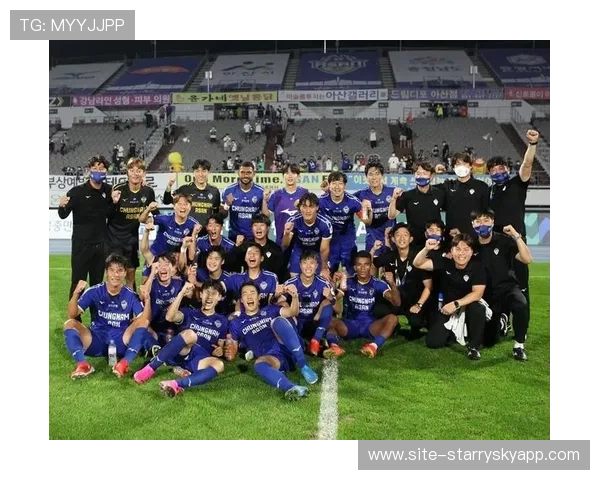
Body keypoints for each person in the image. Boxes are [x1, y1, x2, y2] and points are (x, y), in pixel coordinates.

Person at [133, 280, 229, 396]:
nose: (209, 296)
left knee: (220, 365)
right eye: (206, 292)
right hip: (183, 350)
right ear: (200, 294)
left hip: (199, 357)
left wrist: (219, 350)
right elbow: (169, 317)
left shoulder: (222, 321)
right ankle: (149, 369)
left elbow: (220, 347)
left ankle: (176, 384)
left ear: (219, 297)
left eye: (213, 293)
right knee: (191, 335)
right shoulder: (190, 312)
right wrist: (181, 293)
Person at [225, 281, 318, 401]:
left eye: (252, 293)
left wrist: (295, 297)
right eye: (245, 294)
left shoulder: (270, 310)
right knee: (259, 364)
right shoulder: (236, 323)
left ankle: (303, 365)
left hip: (288, 346)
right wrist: (228, 350)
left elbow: (292, 312)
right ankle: (292, 388)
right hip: (275, 358)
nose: (249, 296)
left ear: (259, 297)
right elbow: (232, 349)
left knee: (278, 321)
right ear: (242, 300)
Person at [63, 254, 149, 379]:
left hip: (121, 341)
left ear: (125, 273)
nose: (115, 274)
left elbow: (145, 319)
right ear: (106, 272)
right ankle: (83, 364)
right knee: (69, 323)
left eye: (120, 270)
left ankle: (124, 363)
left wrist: (147, 299)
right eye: (112, 270)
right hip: (97, 340)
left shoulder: (131, 295)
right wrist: (76, 293)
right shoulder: (94, 291)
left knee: (143, 322)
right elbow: (72, 315)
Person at [413, 233, 490, 360]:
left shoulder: (478, 267)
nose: (461, 253)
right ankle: (456, 333)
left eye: (466, 249)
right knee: (433, 342)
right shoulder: (445, 262)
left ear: (472, 252)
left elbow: (477, 293)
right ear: (451, 251)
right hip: (448, 308)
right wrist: (426, 249)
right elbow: (418, 263)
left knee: (477, 309)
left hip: (467, 305)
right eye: (457, 249)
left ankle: (474, 347)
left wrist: (456, 304)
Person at [471, 210, 533, 360]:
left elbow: (527, 259)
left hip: (507, 288)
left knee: (521, 303)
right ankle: (501, 321)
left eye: (486, 220)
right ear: (472, 224)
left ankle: (519, 346)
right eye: (478, 221)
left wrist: (516, 236)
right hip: (485, 294)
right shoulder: (470, 245)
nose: (482, 224)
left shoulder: (504, 241)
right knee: (489, 341)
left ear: (493, 222)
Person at [487, 129, 539, 309]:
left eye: (501, 168)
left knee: (521, 286)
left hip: (516, 242)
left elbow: (527, 164)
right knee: (498, 285)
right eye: (493, 170)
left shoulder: (517, 184)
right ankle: (501, 318)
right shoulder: (490, 191)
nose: (497, 172)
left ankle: (521, 322)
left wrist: (532, 144)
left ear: (508, 169)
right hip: (496, 245)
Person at [58, 156, 116, 301]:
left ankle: (97, 314)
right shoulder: (77, 192)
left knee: (97, 284)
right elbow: (62, 215)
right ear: (89, 170)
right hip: (81, 246)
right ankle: (73, 314)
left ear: (106, 171)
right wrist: (61, 205)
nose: (98, 171)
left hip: (100, 246)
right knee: (78, 282)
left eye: (101, 168)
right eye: (95, 168)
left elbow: (111, 215)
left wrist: (115, 203)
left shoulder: (109, 190)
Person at [323, 251, 401, 358]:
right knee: (328, 318)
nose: (363, 268)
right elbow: (334, 301)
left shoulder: (378, 284)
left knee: (393, 318)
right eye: (359, 265)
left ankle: (373, 347)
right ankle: (334, 346)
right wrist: (333, 284)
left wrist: (392, 284)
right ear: (355, 267)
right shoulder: (348, 282)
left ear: (370, 266)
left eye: (366, 264)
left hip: (370, 325)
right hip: (349, 325)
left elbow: (396, 302)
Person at [373, 223, 433, 338]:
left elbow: (428, 287)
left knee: (416, 322)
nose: (401, 238)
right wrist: (373, 250)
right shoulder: (389, 256)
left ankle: (416, 325)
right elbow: (372, 264)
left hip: (413, 300)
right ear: (393, 239)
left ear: (411, 239)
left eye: (405, 235)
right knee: (377, 310)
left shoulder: (418, 258)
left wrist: (419, 305)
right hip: (395, 298)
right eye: (398, 235)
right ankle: (394, 326)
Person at [106, 158, 156, 290]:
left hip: (132, 240)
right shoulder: (118, 189)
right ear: (127, 172)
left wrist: (150, 221)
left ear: (143, 173)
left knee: (130, 273)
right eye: (132, 170)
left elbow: (152, 213)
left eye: (139, 171)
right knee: (114, 274)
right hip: (114, 239)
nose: (135, 173)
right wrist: (114, 202)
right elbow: (107, 213)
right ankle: (110, 300)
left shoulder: (148, 192)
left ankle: (129, 302)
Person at [282, 250, 335, 356]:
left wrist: (330, 297)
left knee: (328, 304)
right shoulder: (290, 283)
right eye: (305, 263)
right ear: (300, 265)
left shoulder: (323, 283)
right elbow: (279, 302)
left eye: (312, 263)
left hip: (314, 321)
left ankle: (316, 340)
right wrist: (281, 298)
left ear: (317, 266)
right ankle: (310, 345)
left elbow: (337, 307)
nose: (308, 266)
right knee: (283, 307)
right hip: (297, 322)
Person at [319, 171, 370, 275]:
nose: (337, 187)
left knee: (350, 273)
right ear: (329, 185)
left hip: (348, 241)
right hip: (329, 241)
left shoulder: (353, 201)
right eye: (334, 183)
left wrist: (366, 209)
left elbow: (366, 221)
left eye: (340, 183)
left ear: (345, 185)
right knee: (328, 273)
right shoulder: (320, 201)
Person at [387, 161, 445, 248]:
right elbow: (392, 216)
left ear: (431, 176)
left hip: (434, 241)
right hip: (414, 243)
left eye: (424, 173)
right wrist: (394, 199)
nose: (421, 176)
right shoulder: (407, 195)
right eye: (418, 173)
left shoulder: (439, 193)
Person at [435, 153, 489, 237]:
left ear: (470, 166)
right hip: (452, 236)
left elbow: (486, 213)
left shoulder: (482, 187)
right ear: (453, 168)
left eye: (464, 164)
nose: (461, 167)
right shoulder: (447, 186)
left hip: (474, 237)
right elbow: (426, 189)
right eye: (458, 164)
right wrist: (433, 173)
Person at [141, 254, 185, 354]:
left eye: (167, 264)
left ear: (173, 268)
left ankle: (157, 347)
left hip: (172, 327)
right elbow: (143, 296)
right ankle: (154, 346)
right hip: (153, 327)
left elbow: (195, 296)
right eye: (160, 264)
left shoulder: (179, 283)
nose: (163, 267)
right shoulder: (151, 283)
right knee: (140, 325)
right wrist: (152, 273)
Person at [283, 192, 333, 280]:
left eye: (311, 206)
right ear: (300, 208)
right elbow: (285, 245)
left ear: (317, 207)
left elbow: (324, 249)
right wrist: (287, 233)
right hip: (299, 252)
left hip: (316, 253)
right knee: (294, 279)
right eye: (304, 206)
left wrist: (324, 268)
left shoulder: (325, 224)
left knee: (322, 278)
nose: (307, 211)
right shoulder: (292, 221)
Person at [139, 194, 199, 262]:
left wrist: (194, 234)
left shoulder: (193, 225)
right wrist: (148, 210)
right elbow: (142, 220)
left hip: (173, 262)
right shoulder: (165, 219)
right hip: (155, 258)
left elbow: (191, 256)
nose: (183, 207)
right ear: (174, 206)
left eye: (186, 204)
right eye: (180, 204)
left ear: (190, 207)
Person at [163, 159, 221, 229]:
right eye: (197, 171)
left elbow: (216, 214)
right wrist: (169, 186)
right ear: (193, 173)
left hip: (206, 233)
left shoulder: (214, 191)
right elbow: (166, 201)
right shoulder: (185, 189)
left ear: (208, 172)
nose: (201, 174)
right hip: (187, 233)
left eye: (204, 171)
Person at [354, 162, 396, 257]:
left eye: (377, 174)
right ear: (366, 177)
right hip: (371, 241)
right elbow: (344, 200)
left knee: (390, 266)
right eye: (371, 174)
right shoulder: (361, 195)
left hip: (390, 240)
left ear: (382, 175)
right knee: (371, 266)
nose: (374, 177)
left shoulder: (392, 192)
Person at [263, 163, 309, 245]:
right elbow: (266, 215)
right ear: (283, 176)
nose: (290, 176)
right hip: (280, 241)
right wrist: (264, 200)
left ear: (298, 176)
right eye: (287, 173)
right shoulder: (276, 195)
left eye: (293, 173)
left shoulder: (304, 193)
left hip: (301, 241)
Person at [223, 242, 279, 308]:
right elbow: (218, 287)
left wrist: (276, 296)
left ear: (262, 258)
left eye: (256, 253)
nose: (252, 255)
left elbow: (272, 304)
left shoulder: (271, 278)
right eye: (249, 253)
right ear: (245, 258)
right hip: (242, 314)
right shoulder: (235, 278)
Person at [222, 161, 264, 243]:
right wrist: (227, 204)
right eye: (242, 172)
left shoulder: (260, 192)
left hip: (254, 237)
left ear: (254, 173)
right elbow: (222, 215)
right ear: (238, 173)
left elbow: (265, 217)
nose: (245, 175)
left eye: (249, 173)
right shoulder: (229, 190)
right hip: (233, 236)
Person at [233, 214, 285, 280]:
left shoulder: (275, 248)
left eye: (262, 225)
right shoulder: (245, 246)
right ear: (251, 228)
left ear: (268, 228)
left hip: (269, 283)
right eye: (255, 225)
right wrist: (236, 247)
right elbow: (232, 264)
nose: (258, 228)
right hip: (248, 283)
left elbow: (281, 272)